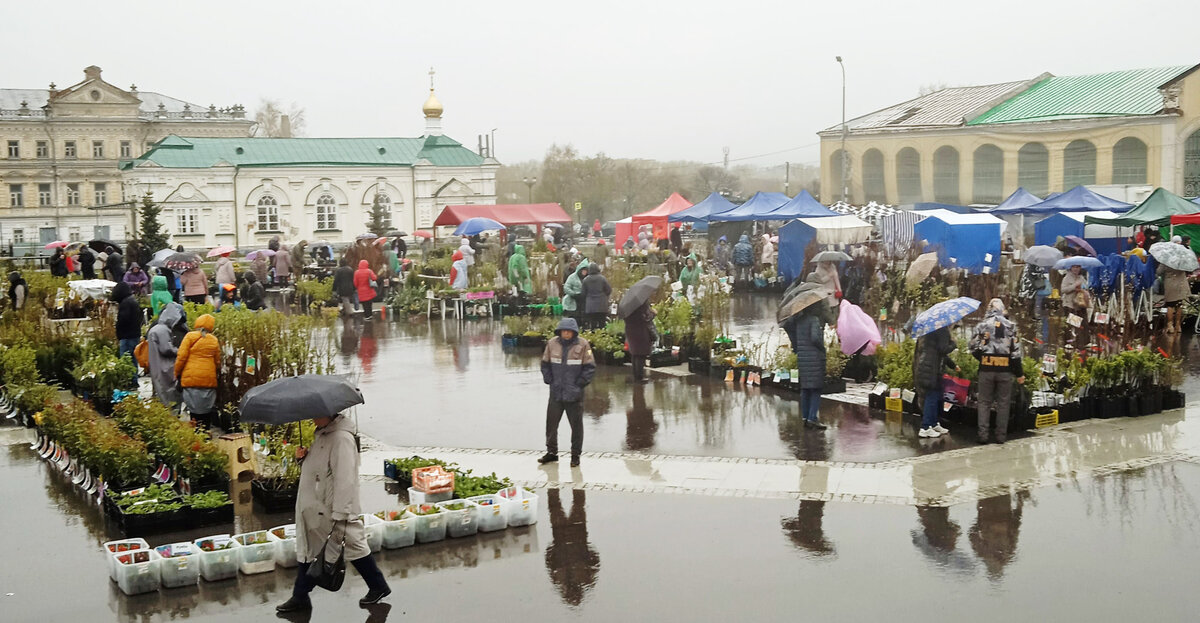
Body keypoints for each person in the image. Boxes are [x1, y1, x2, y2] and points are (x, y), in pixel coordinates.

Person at [277, 412, 391, 613]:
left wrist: (341, 511)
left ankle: (378, 586)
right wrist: (302, 460)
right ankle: (300, 595)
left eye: (316, 414)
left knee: (353, 546)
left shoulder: (341, 438)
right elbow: (320, 470)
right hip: (317, 507)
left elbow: (345, 478)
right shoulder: (322, 434)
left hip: (333, 509)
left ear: (328, 414)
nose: (311, 417)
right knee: (312, 550)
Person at [537, 317, 596, 467]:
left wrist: (580, 384)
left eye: (569, 331)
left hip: (574, 395)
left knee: (576, 427)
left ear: (574, 332)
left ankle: (575, 455)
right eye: (564, 331)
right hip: (556, 393)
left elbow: (590, 367)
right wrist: (548, 379)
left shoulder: (583, 345)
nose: (566, 334)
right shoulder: (551, 344)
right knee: (551, 424)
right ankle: (551, 452)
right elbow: (545, 364)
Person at [970, 299, 1025, 444]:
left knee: (984, 402)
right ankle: (1001, 436)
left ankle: (983, 435)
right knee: (1003, 403)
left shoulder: (982, 326)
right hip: (1005, 370)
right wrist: (1019, 373)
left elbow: (973, 348)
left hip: (986, 369)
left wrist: (983, 359)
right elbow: (1015, 353)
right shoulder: (1011, 326)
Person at [784, 301, 833, 430]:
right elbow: (815, 338)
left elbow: (789, 328)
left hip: (803, 357)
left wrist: (796, 346)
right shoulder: (814, 320)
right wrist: (822, 349)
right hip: (815, 357)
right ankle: (812, 419)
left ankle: (805, 418)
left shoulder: (797, 321)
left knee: (805, 388)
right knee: (816, 389)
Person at [175, 313, 220, 429]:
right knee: (206, 410)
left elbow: (181, 357)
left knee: (193, 410)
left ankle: (196, 434)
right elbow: (217, 361)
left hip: (191, 378)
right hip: (208, 380)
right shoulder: (214, 340)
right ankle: (206, 432)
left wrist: (176, 373)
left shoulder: (190, 337)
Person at [913, 325, 957, 438]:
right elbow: (943, 349)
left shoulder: (930, 329)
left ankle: (933, 423)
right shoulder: (941, 329)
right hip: (931, 369)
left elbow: (939, 352)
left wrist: (952, 365)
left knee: (935, 396)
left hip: (928, 367)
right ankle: (925, 427)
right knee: (931, 397)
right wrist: (953, 343)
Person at [146, 302, 187, 409]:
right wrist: (180, 351)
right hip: (164, 366)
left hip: (156, 364)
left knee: (160, 390)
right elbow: (166, 348)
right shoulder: (163, 330)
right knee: (169, 394)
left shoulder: (155, 328)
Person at [112, 282, 143, 389]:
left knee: (126, 359)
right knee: (133, 359)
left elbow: (123, 320)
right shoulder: (132, 301)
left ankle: (130, 381)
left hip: (127, 336)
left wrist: (118, 330)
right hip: (134, 334)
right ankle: (133, 380)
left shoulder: (125, 303)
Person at [1019, 263, 1052, 344]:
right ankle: (1030, 319)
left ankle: (1031, 317)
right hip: (1030, 289)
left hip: (1031, 290)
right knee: (1030, 304)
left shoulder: (1031, 266)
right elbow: (1032, 275)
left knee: (1031, 304)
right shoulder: (1031, 266)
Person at [624, 300, 656, 382]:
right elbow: (646, 318)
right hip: (640, 330)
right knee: (641, 354)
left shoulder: (626, 305)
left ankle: (636, 375)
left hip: (630, 330)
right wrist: (653, 313)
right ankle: (639, 377)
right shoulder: (642, 304)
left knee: (634, 353)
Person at [1060, 265, 1089, 343]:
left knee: (1081, 324)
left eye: (1078, 267)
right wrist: (1074, 286)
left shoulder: (1081, 278)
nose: (1076, 269)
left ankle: (1082, 342)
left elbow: (1086, 287)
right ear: (1071, 268)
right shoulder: (1067, 278)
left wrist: (1082, 289)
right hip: (1070, 304)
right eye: (1074, 267)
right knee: (1071, 324)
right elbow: (1063, 290)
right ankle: (1069, 342)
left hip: (1080, 305)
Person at [1159, 260, 1189, 333]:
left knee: (1170, 304)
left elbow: (1159, 272)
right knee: (1179, 304)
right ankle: (1178, 326)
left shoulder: (1166, 260)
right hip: (1181, 284)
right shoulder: (1182, 260)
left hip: (1170, 284)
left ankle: (1170, 326)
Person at [581, 263, 612, 330]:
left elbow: (583, 293)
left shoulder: (585, 280)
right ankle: (602, 337)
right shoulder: (602, 278)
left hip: (590, 306)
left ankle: (593, 337)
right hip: (602, 305)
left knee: (592, 324)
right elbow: (609, 290)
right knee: (602, 324)